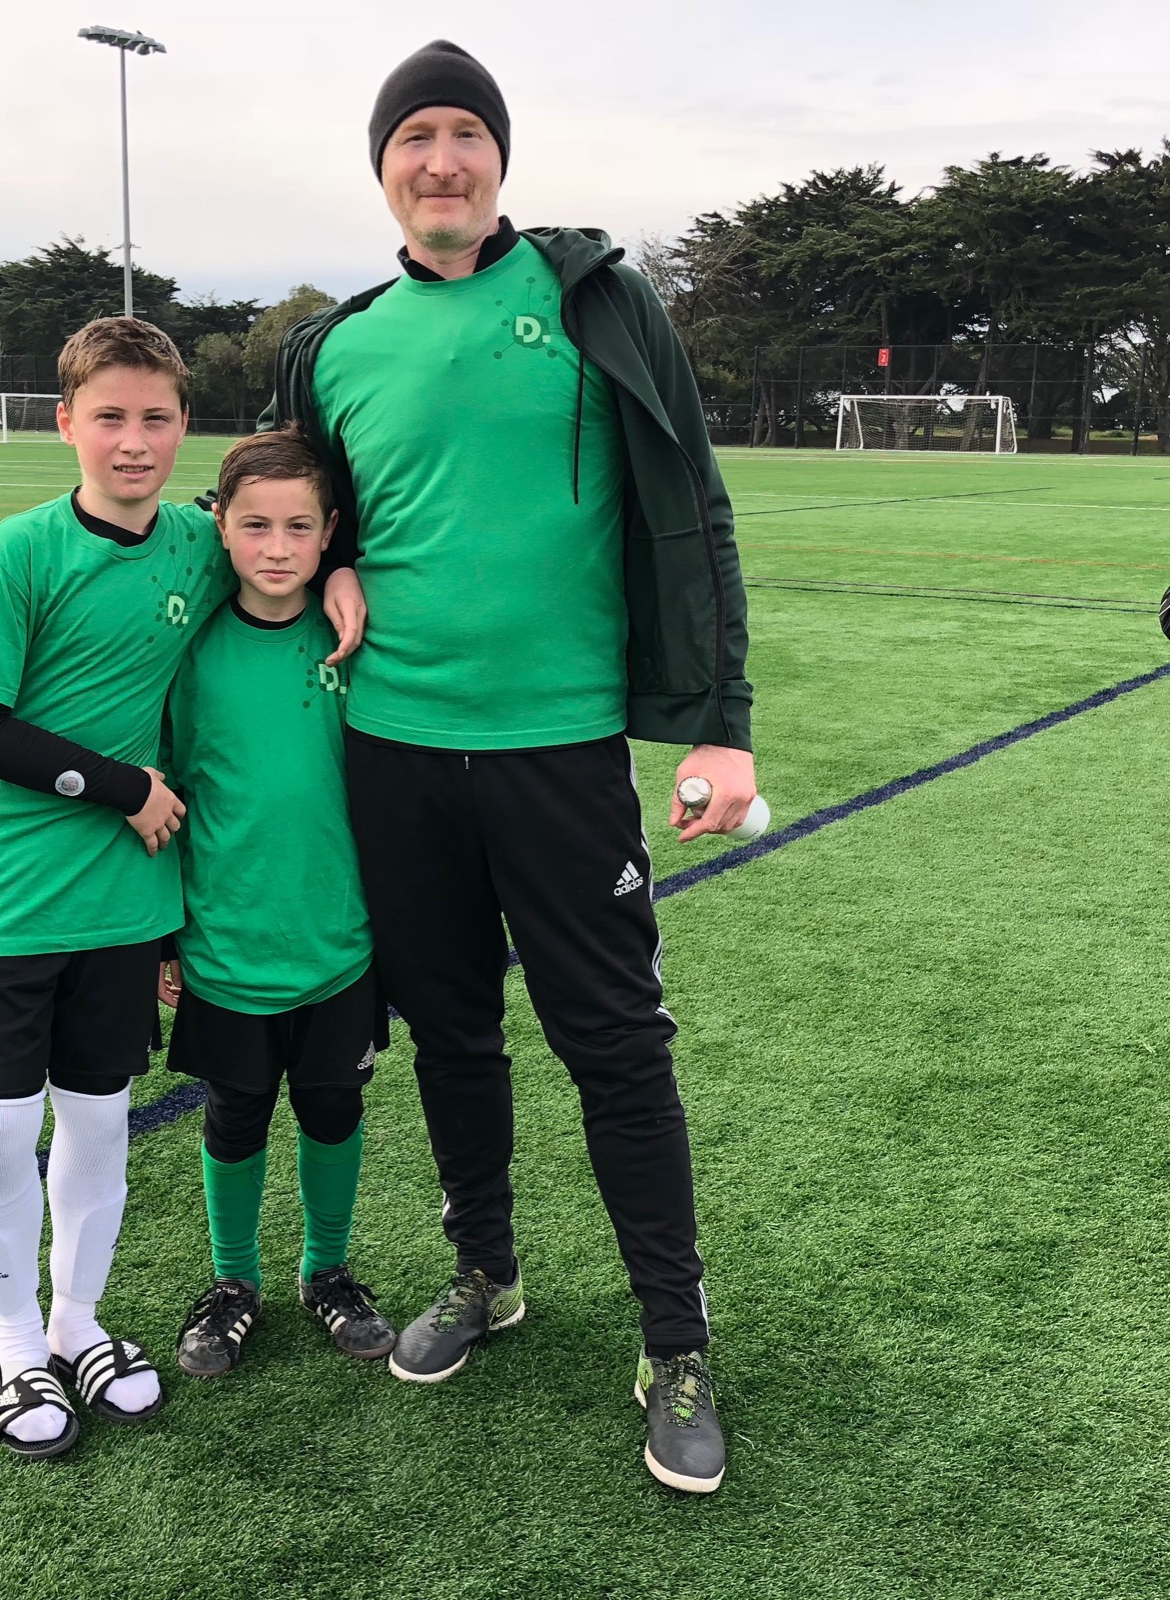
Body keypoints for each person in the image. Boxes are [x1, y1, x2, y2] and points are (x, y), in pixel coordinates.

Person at [263, 41, 757, 1493]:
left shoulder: (593, 299)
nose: (440, 160)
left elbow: (692, 505)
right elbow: (302, 525)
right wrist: (337, 563)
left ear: (499, 162)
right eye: (413, 136)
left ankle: (674, 1342)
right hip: (391, 749)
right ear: (380, 169)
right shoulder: (329, 346)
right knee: (451, 1033)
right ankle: (485, 1268)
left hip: (556, 750)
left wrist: (720, 718)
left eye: (465, 134)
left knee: (612, 1041)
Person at [0, 318, 363, 1459]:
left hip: (125, 902)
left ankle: (76, 1323)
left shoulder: (193, 541)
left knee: (98, 1125)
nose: (133, 441)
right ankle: (17, 1344)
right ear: (64, 421)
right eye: (109, 416)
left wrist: (348, 569)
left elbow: (286, 528)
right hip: (0, 898)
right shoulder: (20, 551)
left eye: (156, 417)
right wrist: (119, 782)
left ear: (183, 428)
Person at [157, 429, 395, 1378]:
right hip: (225, 940)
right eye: (254, 525)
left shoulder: (353, 635)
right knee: (237, 1110)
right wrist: (163, 939)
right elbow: (166, 795)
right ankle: (232, 1283)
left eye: (301, 526)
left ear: (330, 532)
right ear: (220, 526)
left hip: (338, 942)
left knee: (334, 1107)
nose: (278, 547)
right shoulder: (188, 651)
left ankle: (326, 1271)